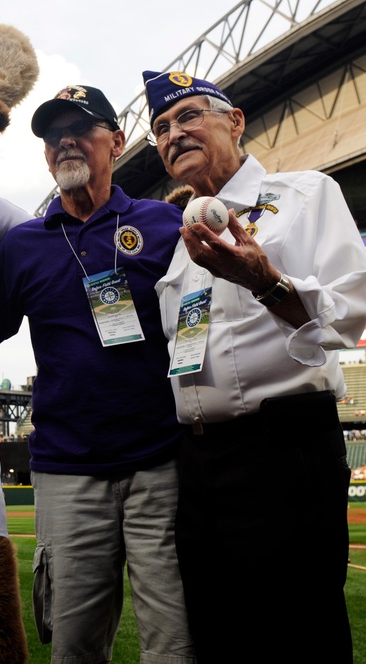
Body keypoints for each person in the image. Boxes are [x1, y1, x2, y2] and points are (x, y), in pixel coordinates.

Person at [142, 70, 366, 662]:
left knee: (298, 633)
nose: (173, 133)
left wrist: (266, 283)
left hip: (282, 450)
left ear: (235, 121)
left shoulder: (306, 194)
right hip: (197, 459)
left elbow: (354, 312)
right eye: (161, 127)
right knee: (216, 635)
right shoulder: (179, 236)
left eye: (189, 116)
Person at [0, 85, 195, 664]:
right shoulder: (22, 245)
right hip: (68, 469)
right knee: (73, 647)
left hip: (161, 462)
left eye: (82, 128)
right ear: (46, 156)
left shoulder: (161, 223)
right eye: (53, 136)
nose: (64, 142)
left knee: (175, 642)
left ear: (118, 141)